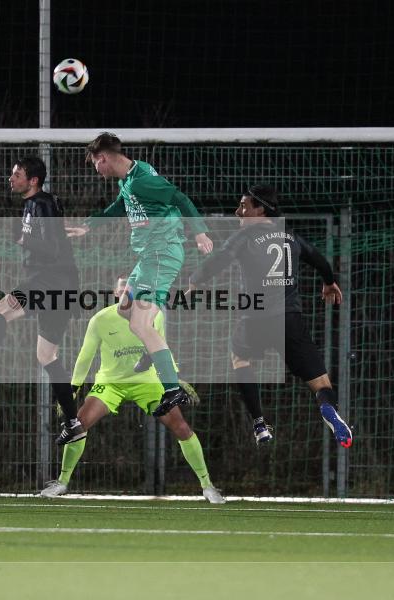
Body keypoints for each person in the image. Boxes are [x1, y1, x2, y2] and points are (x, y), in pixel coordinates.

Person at [188, 185, 353, 448]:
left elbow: (220, 258)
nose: (237, 211)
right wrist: (329, 282)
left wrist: (195, 280)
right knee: (321, 383)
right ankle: (327, 409)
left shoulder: (244, 237)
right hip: (289, 320)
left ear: (260, 209)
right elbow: (319, 260)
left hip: (254, 319)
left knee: (239, 358)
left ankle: (259, 423)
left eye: (243, 206)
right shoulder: (290, 237)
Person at [66, 132, 213, 419]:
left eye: (95, 164)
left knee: (140, 324)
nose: (95, 170)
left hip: (160, 255)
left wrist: (199, 231)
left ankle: (171, 388)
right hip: (148, 257)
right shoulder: (129, 180)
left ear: (103, 158)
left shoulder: (144, 180)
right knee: (125, 309)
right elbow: (120, 206)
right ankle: (152, 350)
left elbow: (178, 197)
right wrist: (88, 225)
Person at [40, 277, 225, 503]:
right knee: (78, 424)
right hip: (110, 383)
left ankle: (207, 486)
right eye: (122, 287)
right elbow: (85, 357)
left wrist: (173, 379)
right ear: (116, 293)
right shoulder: (100, 319)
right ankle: (62, 482)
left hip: (146, 381)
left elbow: (161, 347)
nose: (126, 290)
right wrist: (74, 388)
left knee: (181, 426)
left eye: (130, 286)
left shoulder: (152, 314)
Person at [0, 156, 83, 445]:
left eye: (17, 174)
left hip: (49, 282)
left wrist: (23, 240)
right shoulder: (39, 204)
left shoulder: (41, 203)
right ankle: (73, 422)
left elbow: (50, 248)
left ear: (32, 180)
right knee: (46, 356)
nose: (11, 179)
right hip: (62, 286)